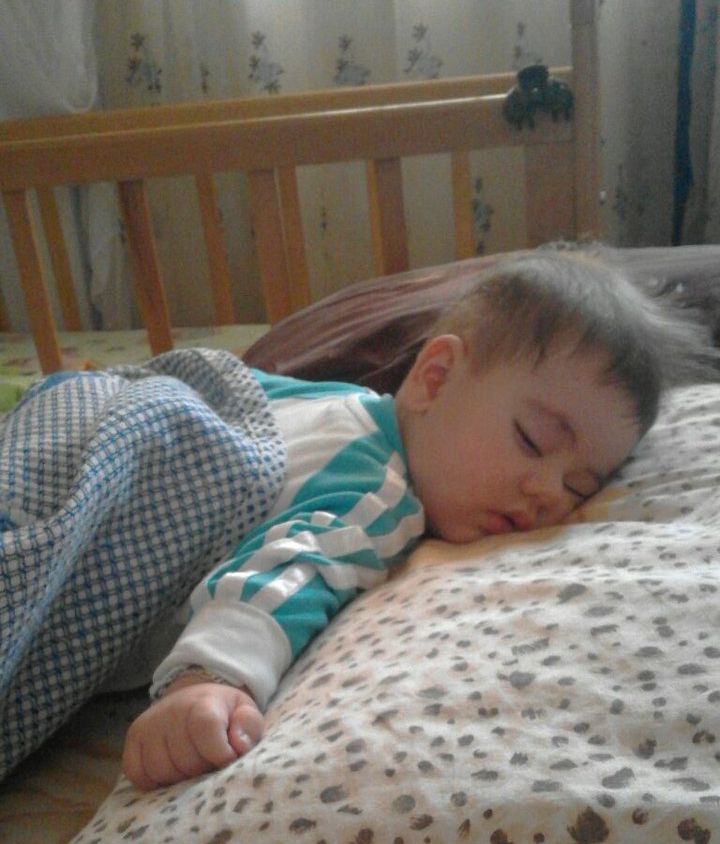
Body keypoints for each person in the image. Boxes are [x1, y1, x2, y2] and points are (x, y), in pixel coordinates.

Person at [121, 248, 716, 790]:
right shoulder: (379, 486)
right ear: (436, 378)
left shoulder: (357, 445)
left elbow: (300, 561)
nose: (547, 495)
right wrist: (210, 676)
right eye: (533, 441)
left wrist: (213, 680)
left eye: (579, 486)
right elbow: (290, 564)